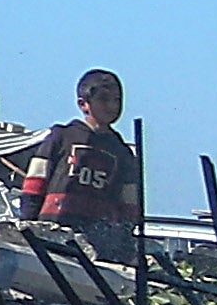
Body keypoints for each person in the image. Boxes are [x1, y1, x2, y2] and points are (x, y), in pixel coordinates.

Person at [8, 69, 144, 242]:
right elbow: (35, 183)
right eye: (103, 99)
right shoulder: (61, 137)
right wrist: (28, 224)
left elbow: (129, 202)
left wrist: (123, 235)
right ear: (83, 104)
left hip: (99, 237)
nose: (112, 106)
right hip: (55, 228)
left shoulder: (121, 152)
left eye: (117, 100)